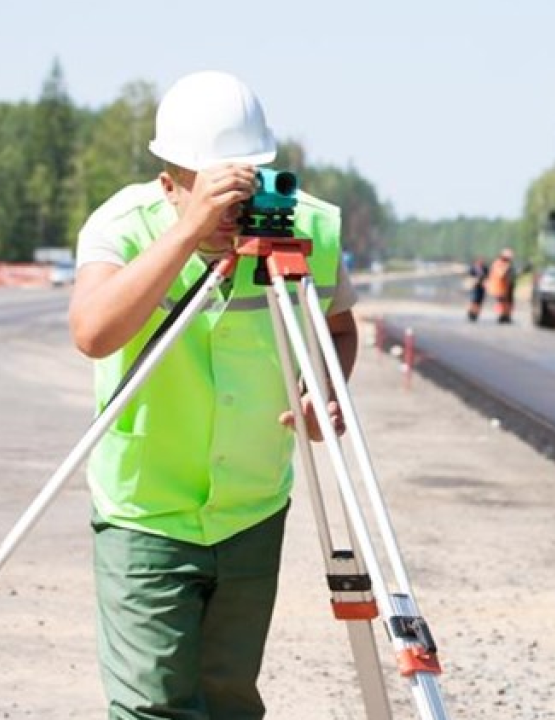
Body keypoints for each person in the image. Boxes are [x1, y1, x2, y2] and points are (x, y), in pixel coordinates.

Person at [68, 70, 359, 719]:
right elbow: (92, 332)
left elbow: (338, 329)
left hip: (251, 506)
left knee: (229, 702)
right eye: (210, 192)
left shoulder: (306, 229)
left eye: (241, 187)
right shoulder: (121, 226)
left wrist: (322, 387)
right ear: (169, 183)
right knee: (152, 705)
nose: (230, 214)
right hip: (146, 510)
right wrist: (185, 235)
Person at [485, 247, 517, 324]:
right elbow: (500, 274)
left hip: (506, 286)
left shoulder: (506, 264)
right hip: (500, 287)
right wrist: (506, 268)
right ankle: (503, 315)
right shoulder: (498, 264)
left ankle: (506, 316)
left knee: (508, 301)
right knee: (502, 302)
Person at [466, 256, 487, 321]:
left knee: (479, 301)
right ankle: (471, 312)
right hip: (474, 287)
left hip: (482, 287)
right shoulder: (473, 268)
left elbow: (487, 277)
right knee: (473, 300)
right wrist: (474, 281)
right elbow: (469, 277)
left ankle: (476, 313)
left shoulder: (485, 268)